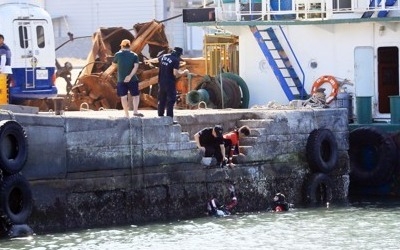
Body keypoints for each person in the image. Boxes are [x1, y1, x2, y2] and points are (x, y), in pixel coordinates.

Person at [156, 47, 189, 120]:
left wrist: (148, 61)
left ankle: (160, 116)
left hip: (161, 82)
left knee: (162, 99)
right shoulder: (175, 60)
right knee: (171, 100)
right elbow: (175, 74)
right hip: (170, 83)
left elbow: (156, 60)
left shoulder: (164, 56)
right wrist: (184, 72)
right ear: (179, 54)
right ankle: (169, 118)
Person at [112, 39, 142, 118]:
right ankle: (135, 111)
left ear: (122, 46)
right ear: (130, 46)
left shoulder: (118, 54)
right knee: (135, 95)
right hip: (133, 79)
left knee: (124, 96)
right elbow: (136, 67)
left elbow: (113, 64)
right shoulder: (134, 55)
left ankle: (126, 113)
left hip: (121, 79)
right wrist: (130, 76)